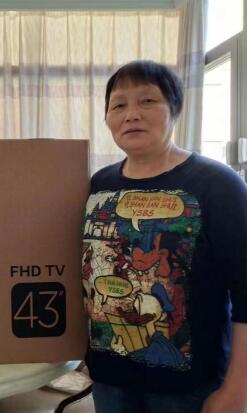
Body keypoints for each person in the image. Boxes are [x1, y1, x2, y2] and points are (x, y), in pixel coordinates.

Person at [81, 60, 247, 413]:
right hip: (110, 380)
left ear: (175, 109)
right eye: (119, 105)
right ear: (107, 118)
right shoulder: (99, 186)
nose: (131, 114)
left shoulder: (217, 185)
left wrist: (238, 389)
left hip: (188, 388)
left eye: (147, 101)